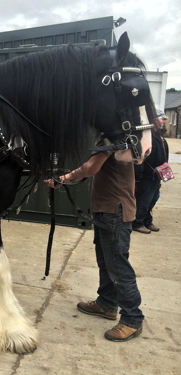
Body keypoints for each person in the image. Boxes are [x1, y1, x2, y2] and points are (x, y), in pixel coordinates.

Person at [45, 140, 144, 342]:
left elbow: (91, 167)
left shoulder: (112, 137)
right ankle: (106, 303)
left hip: (114, 210)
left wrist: (65, 178)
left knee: (117, 266)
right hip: (106, 209)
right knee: (106, 262)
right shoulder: (116, 136)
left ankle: (132, 318)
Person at [132, 110, 169, 234]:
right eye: (161, 118)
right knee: (144, 200)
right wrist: (139, 174)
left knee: (153, 198)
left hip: (156, 175)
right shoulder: (146, 135)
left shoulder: (159, 135)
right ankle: (138, 223)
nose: (164, 121)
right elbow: (140, 156)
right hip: (147, 176)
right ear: (153, 119)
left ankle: (147, 221)